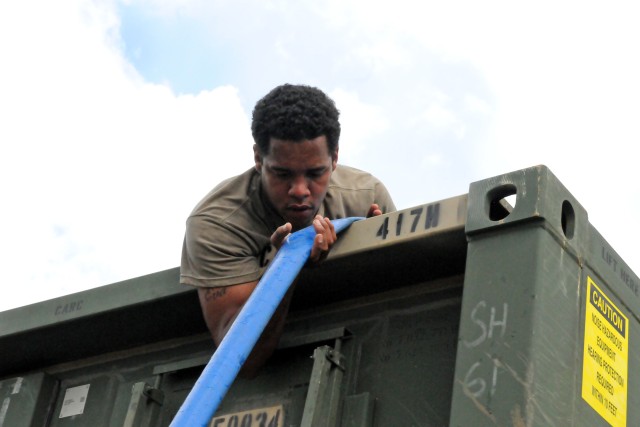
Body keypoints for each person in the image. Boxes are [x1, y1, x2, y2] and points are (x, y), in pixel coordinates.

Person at [180, 84, 395, 377]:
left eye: (316, 173)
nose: (300, 191)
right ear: (258, 158)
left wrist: (371, 248)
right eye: (282, 174)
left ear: (334, 158)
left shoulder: (365, 197)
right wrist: (286, 264)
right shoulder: (217, 224)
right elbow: (242, 360)